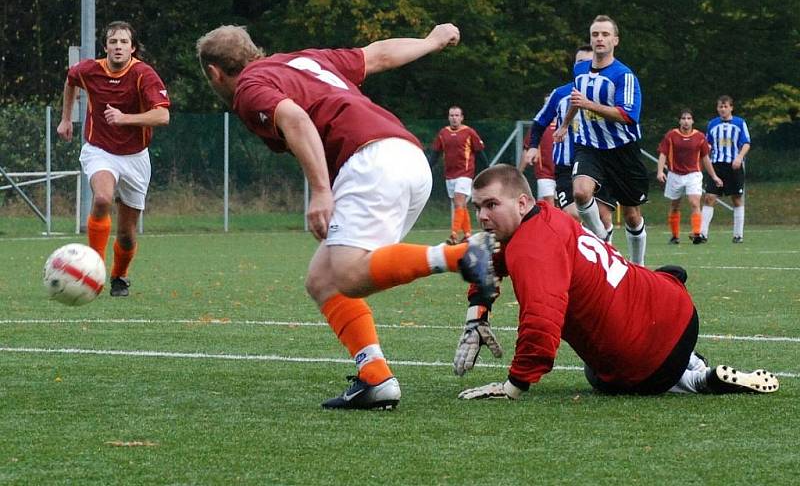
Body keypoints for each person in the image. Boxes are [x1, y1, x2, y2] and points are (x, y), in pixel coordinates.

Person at [196, 24, 497, 410]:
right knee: (323, 280)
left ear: (214, 73)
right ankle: (375, 377)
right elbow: (379, 55)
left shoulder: (248, 87)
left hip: (370, 162)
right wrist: (430, 41)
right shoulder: (305, 60)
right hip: (406, 156)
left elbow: (296, 119)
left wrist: (321, 190)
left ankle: (462, 255)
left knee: (349, 276)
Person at [453, 164, 779, 400]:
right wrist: (477, 313)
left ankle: (697, 379)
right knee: (647, 300)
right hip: (676, 307)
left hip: (645, 358)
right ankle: (690, 359)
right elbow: (489, 262)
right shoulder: (546, 214)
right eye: (478, 207)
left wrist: (514, 384)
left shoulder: (530, 247)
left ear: (521, 203)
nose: (482, 216)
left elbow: (541, 322)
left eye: (492, 205)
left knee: (601, 377)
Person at [57, 21, 170, 297]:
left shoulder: (144, 74)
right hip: (100, 150)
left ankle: (120, 275)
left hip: (135, 158)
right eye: (112, 41)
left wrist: (125, 119)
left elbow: (163, 116)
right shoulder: (89, 70)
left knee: (127, 235)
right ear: (105, 46)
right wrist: (66, 119)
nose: (118, 46)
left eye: (123, 42)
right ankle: (93, 269)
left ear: (133, 47)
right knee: (103, 198)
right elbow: (71, 80)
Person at [554, 15, 648, 265]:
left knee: (631, 215)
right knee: (581, 193)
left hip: (622, 151)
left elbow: (628, 115)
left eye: (605, 34)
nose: (600, 39)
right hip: (590, 147)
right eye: (595, 34)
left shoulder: (623, 75)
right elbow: (577, 99)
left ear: (615, 40)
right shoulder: (580, 69)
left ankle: (638, 267)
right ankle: (602, 237)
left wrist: (589, 105)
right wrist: (564, 125)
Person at [520, 45, 616, 233]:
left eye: (590, 61)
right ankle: (598, 242)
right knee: (573, 214)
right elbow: (540, 122)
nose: (585, 65)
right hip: (566, 166)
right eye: (580, 61)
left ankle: (604, 243)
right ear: (574, 66)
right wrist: (533, 146)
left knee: (604, 217)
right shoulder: (560, 94)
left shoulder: (607, 92)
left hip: (600, 163)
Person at [656, 109, 723, 244]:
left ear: (692, 121)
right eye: (683, 118)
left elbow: (705, 158)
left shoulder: (699, 137)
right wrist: (660, 171)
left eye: (688, 118)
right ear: (679, 121)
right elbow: (663, 153)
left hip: (693, 174)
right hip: (675, 174)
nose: (686, 121)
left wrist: (714, 176)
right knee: (675, 205)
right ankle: (675, 236)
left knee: (694, 202)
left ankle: (697, 234)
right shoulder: (671, 135)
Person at [697, 95, 751, 244]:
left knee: (737, 198)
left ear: (731, 108)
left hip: (734, 165)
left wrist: (739, 158)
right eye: (720, 106)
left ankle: (738, 234)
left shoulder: (740, 123)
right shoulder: (712, 124)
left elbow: (746, 143)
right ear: (717, 108)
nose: (723, 109)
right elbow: (708, 144)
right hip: (716, 165)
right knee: (709, 197)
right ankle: (702, 234)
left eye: (725, 106)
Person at [429, 106, 488, 243]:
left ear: (462, 117)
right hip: (450, 174)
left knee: (459, 201)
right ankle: (467, 235)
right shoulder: (443, 133)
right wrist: (427, 168)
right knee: (459, 205)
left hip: (465, 173)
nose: (454, 118)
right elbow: (435, 154)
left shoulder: (469, 132)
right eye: (451, 115)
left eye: (457, 115)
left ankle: (454, 235)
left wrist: (487, 168)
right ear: (448, 117)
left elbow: (479, 152)